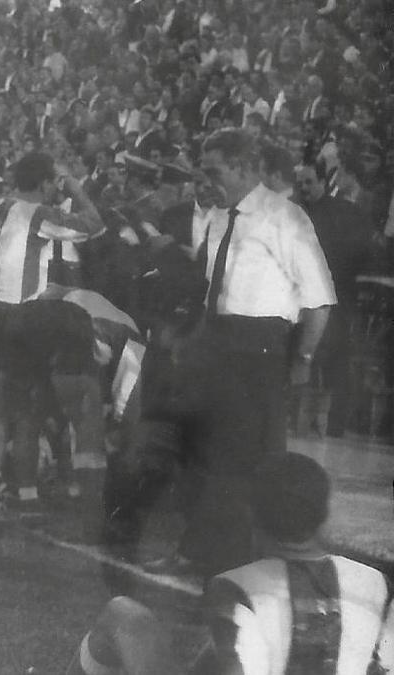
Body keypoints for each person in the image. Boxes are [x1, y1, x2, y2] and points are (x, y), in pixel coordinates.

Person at [150, 128, 336, 577]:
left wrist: (302, 360)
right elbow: (212, 290)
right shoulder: (217, 217)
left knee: (252, 457)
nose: (207, 180)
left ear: (246, 167)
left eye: (215, 170)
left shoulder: (285, 217)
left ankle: (253, 558)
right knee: (201, 450)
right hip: (215, 343)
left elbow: (319, 300)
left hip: (261, 348)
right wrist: (190, 337)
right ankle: (197, 549)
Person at [69, 453, 393, 674]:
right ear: (323, 518)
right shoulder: (376, 582)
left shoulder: (238, 586)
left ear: (253, 519)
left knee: (124, 614)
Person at [0, 152, 105, 515]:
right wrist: (76, 187)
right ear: (45, 182)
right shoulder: (39, 214)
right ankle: (26, 493)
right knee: (26, 410)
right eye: (53, 182)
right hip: (22, 317)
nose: (55, 187)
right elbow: (94, 224)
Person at [293, 162, 372, 437]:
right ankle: (294, 420)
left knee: (337, 358)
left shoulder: (345, 213)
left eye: (309, 182)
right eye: (300, 183)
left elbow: (357, 251)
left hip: (336, 295)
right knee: (299, 354)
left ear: (323, 182)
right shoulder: (294, 212)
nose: (304, 188)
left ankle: (337, 424)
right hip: (301, 295)